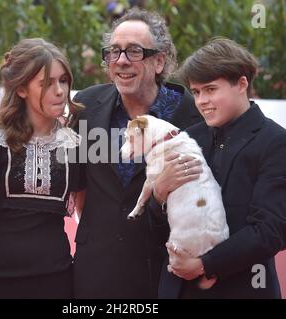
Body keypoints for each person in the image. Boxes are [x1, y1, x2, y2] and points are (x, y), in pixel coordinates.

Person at [155, 37, 286, 298]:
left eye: (211, 89)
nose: (201, 100)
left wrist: (205, 265)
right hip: (177, 290)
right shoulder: (188, 138)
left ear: (242, 84)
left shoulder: (276, 143)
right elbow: (159, 224)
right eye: (197, 91)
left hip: (242, 289)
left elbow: (268, 231)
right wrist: (158, 193)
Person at [72, 8, 203, 298]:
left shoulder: (194, 116)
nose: (120, 61)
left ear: (159, 61)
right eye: (114, 51)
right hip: (96, 273)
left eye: (134, 52)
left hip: (164, 275)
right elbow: (80, 189)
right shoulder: (86, 106)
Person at [0, 38, 83, 299]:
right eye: (46, 83)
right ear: (22, 89)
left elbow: (88, 217)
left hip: (57, 282)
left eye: (64, 81)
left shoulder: (77, 143)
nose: (59, 91)